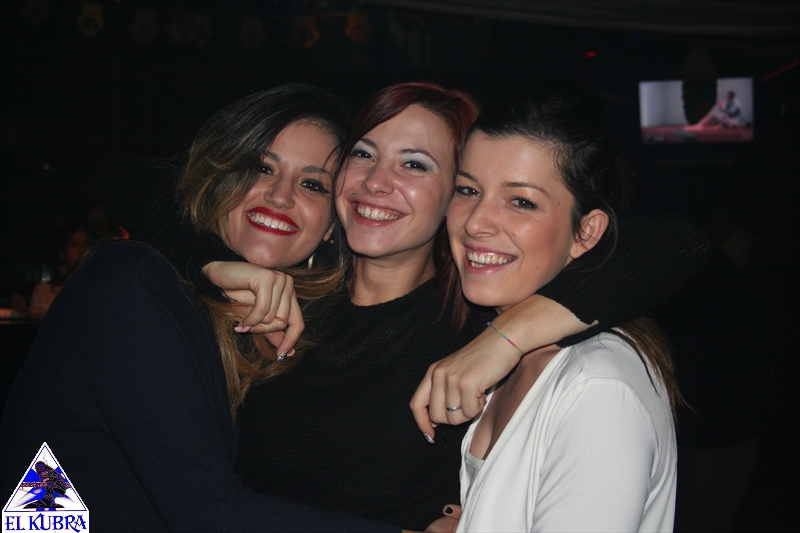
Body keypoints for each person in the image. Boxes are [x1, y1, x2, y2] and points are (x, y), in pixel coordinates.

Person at [195, 83, 708, 530]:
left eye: (415, 164)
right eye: (364, 154)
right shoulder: (274, 298)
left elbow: (680, 241)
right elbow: (157, 192)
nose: (376, 182)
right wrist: (208, 264)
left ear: (447, 198)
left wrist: (503, 338)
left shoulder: (480, 326)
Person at [1, 85, 401, 532]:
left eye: (312, 184)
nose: (280, 196)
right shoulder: (134, 285)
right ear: (221, 176)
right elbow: (207, 513)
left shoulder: (277, 325)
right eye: (262, 167)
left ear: (330, 227)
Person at [445, 84, 678, 532]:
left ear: (586, 233)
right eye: (468, 190)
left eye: (521, 201)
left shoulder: (597, 389)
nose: (475, 223)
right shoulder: (500, 344)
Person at [28, 223, 91, 317]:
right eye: (74, 244)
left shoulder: (102, 286)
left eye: (86, 244)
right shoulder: (43, 291)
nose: (82, 250)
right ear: (62, 253)